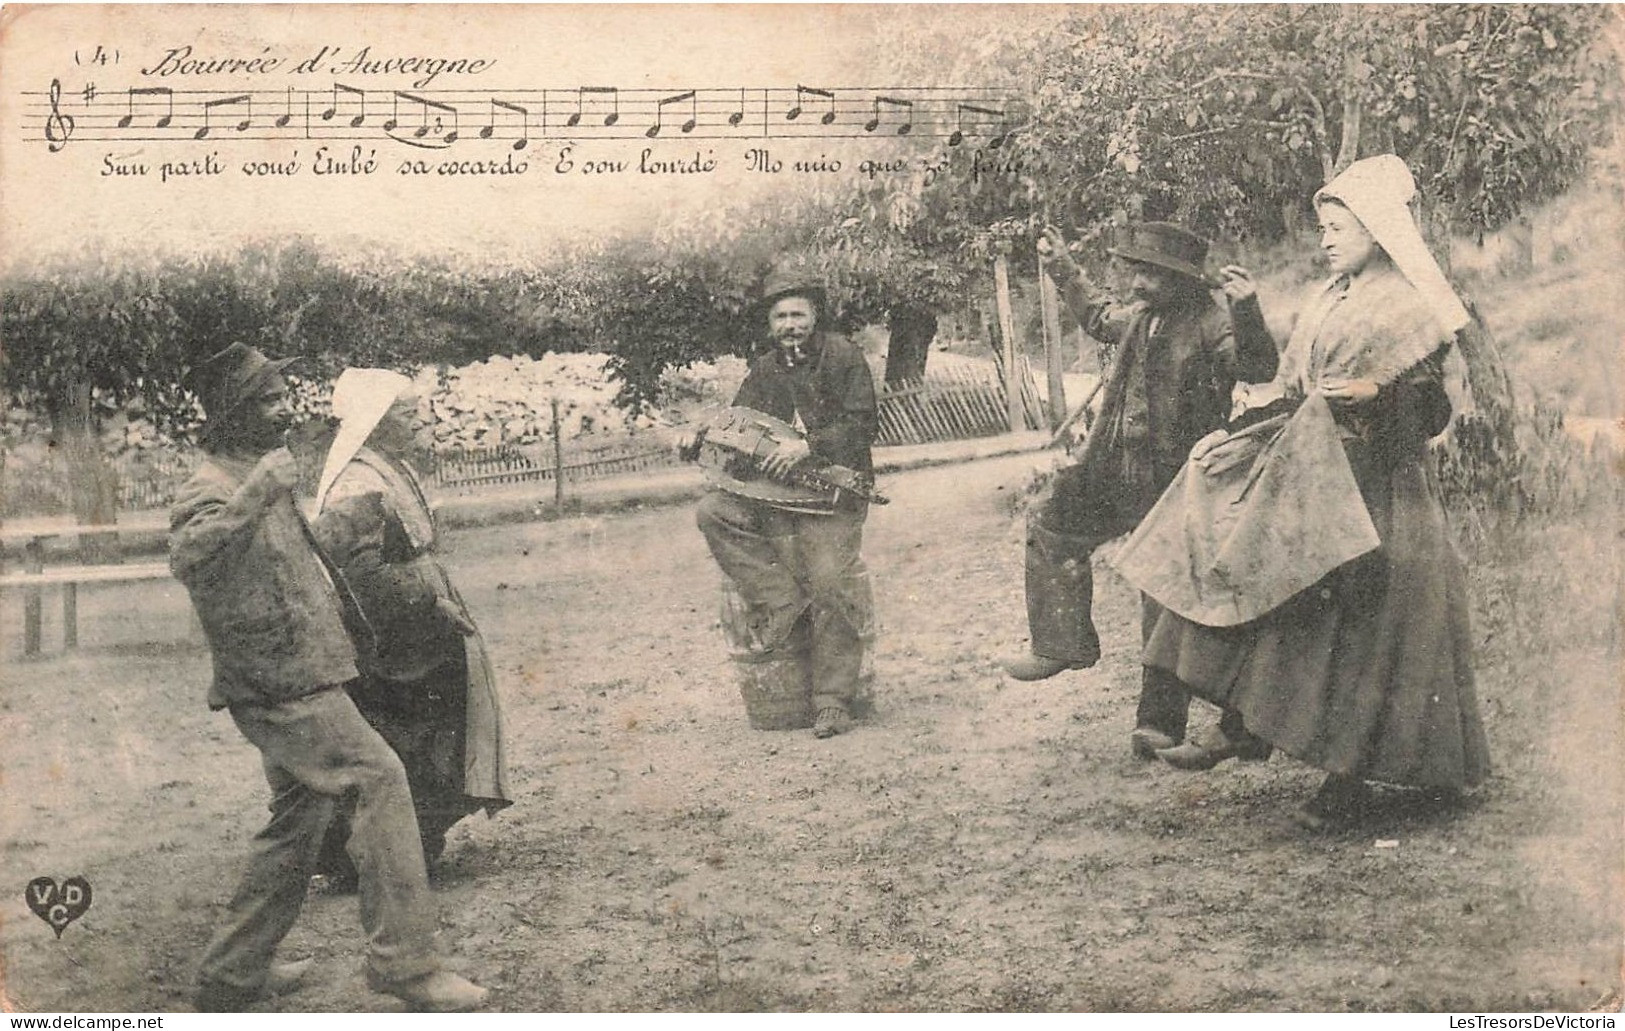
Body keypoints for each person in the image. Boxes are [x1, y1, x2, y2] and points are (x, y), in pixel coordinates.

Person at [1120, 155, 1490, 830]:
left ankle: (1340, 781)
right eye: (1321, 226)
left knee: (1369, 637)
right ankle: (1245, 721)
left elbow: (1431, 411)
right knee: (1268, 586)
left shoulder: (1409, 304)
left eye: (1336, 226)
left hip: (1382, 490)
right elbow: (1289, 388)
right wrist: (1234, 431)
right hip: (1316, 477)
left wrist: (1377, 394)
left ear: (1377, 229)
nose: (1324, 239)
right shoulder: (1327, 297)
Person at [169, 343, 487, 1012]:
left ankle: (231, 974)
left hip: (301, 670)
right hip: (281, 682)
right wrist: (254, 497)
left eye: (281, 393)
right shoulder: (213, 484)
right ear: (231, 413)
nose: (284, 406)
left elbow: (287, 566)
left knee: (299, 816)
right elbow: (190, 556)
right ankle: (406, 965)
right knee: (381, 777)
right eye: (266, 398)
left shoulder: (259, 471)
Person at [1000, 222, 1279, 760]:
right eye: (1134, 270)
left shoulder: (1212, 322)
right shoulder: (1141, 319)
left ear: (1181, 279)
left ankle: (1159, 723)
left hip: (1175, 481)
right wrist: (1061, 265)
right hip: (1114, 468)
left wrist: (1248, 312)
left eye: (1149, 273)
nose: (1136, 282)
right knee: (1052, 523)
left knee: (1161, 594)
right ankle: (1062, 644)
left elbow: (1257, 368)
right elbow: (1099, 316)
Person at [308, 368, 511, 887]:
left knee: (428, 738)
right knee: (404, 741)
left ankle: (412, 845)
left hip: (415, 633)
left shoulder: (384, 469)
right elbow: (359, 573)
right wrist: (429, 596)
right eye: (407, 413)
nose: (421, 421)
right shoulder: (359, 483)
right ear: (375, 422)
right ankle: (370, 857)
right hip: (388, 645)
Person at [695, 266, 878, 739]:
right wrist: (699, 439)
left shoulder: (843, 356)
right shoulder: (765, 369)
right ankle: (781, 600)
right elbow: (739, 431)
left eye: (798, 314)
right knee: (713, 511)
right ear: (770, 325)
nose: (790, 325)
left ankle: (833, 700)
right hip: (779, 495)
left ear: (815, 316)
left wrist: (810, 444)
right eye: (781, 317)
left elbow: (862, 425)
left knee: (830, 578)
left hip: (834, 492)